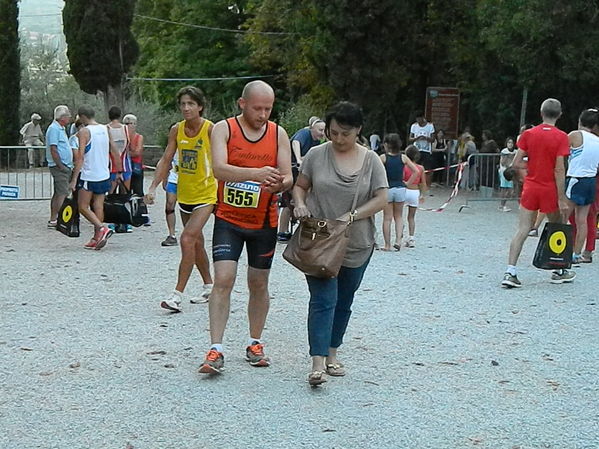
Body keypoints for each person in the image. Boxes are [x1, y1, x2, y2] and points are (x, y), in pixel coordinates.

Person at [198, 80, 292, 374]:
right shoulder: (225, 129)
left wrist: (280, 182)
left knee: (258, 283)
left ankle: (255, 342)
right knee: (223, 279)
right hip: (229, 219)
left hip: (264, 221)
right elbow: (219, 169)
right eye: (257, 108)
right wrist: (257, 173)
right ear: (242, 104)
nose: (263, 114)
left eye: (268, 108)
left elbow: (287, 176)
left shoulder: (278, 134)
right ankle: (215, 348)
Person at [292, 101, 387, 386]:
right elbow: (300, 186)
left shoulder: (371, 160)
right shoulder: (316, 155)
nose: (338, 138)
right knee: (323, 299)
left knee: (344, 300)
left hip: (357, 242)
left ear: (358, 130)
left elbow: (382, 198)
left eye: (345, 133)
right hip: (319, 241)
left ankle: (333, 352)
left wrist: (353, 216)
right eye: (333, 132)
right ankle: (317, 362)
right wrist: (299, 204)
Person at [146, 86, 216, 310]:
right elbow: (166, 159)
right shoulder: (177, 130)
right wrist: (154, 186)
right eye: (183, 104)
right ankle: (209, 286)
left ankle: (176, 295)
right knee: (196, 243)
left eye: (191, 104)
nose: (186, 108)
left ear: (200, 106)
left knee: (186, 239)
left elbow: (224, 159)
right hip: (185, 194)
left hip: (206, 193)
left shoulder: (211, 129)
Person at [502, 98, 574, 288]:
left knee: (523, 229)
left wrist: (530, 167)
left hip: (531, 187)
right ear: (559, 115)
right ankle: (559, 269)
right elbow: (559, 169)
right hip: (549, 188)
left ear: (541, 113)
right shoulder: (561, 137)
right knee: (557, 226)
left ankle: (511, 271)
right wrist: (561, 197)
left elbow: (516, 163)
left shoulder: (528, 134)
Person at [69, 105, 122, 250]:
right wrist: (119, 170)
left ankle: (101, 228)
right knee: (98, 205)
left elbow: (80, 157)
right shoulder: (105, 129)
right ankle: (96, 236)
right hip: (103, 173)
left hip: (89, 174)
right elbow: (114, 150)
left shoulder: (84, 132)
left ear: (82, 116)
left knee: (83, 206)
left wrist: (74, 179)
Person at [277, 117, 325, 242]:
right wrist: (298, 159)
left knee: (302, 199)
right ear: (312, 128)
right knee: (288, 202)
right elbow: (295, 143)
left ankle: (303, 229)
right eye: (320, 130)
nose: (322, 133)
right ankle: (282, 231)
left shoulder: (317, 142)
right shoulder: (304, 133)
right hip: (291, 169)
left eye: (324, 130)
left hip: (301, 172)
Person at [564, 108, 599, 265]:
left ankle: (558, 249)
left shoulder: (575, 135)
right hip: (590, 180)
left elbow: (561, 151)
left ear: (580, 121)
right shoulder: (597, 141)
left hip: (576, 178)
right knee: (582, 219)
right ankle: (577, 254)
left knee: (563, 216)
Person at [379, 133, 419, 251]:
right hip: (400, 188)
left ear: (386, 145)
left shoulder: (383, 158)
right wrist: (407, 183)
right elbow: (416, 171)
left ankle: (387, 244)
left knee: (387, 218)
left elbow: (376, 172)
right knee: (399, 216)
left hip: (388, 188)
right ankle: (398, 241)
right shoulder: (403, 157)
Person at [45, 105, 73, 228]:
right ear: (62, 117)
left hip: (64, 165)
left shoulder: (60, 128)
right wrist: (60, 165)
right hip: (59, 166)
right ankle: (59, 219)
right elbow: (53, 148)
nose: (70, 118)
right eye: (68, 116)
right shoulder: (54, 129)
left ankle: (54, 218)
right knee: (62, 192)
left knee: (58, 192)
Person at [403, 145, 427, 248]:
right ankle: (411, 238)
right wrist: (422, 195)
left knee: (398, 215)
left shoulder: (404, 166)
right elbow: (423, 183)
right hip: (414, 192)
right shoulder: (420, 168)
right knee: (411, 217)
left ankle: (399, 234)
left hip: (404, 191)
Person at [107, 106, 132, 193]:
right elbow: (129, 146)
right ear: (120, 116)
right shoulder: (126, 129)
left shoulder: (106, 128)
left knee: (109, 194)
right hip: (125, 164)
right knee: (125, 192)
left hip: (111, 165)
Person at [409, 112, 435, 187]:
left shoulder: (430, 126)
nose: (418, 120)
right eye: (417, 119)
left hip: (426, 150)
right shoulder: (414, 126)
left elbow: (433, 139)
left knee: (428, 169)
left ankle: (427, 185)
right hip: (416, 149)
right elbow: (410, 138)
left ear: (423, 118)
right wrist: (416, 138)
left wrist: (426, 138)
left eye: (419, 118)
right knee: (415, 167)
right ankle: (415, 183)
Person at [123, 114, 145, 197]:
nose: (128, 126)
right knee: (124, 191)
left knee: (138, 191)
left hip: (136, 167)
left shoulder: (139, 137)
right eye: (126, 124)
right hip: (124, 167)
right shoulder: (122, 137)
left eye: (130, 123)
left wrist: (126, 153)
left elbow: (137, 152)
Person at [161, 151, 179, 247]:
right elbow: (167, 159)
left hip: (191, 178)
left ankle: (192, 234)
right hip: (174, 176)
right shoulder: (175, 138)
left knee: (190, 206)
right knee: (169, 205)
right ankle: (172, 235)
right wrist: (165, 177)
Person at [498, 137, 516, 212]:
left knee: (510, 189)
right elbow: (503, 162)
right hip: (504, 171)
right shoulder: (504, 151)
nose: (510, 144)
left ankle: (503, 204)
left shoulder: (516, 151)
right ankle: (502, 205)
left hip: (511, 172)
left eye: (511, 143)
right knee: (504, 188)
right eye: (509, 143)